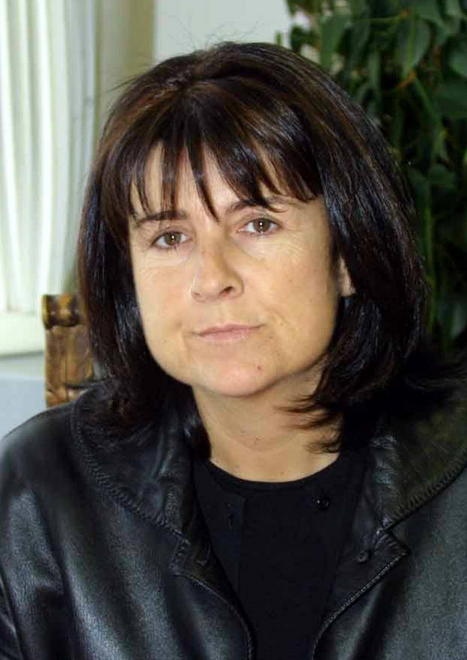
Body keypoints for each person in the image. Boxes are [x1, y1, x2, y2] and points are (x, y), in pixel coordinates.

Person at [0, 41, 466, 660]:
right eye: (170, 237)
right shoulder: (39, 491)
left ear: (349, 255)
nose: (211, 277)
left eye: (258, 224)